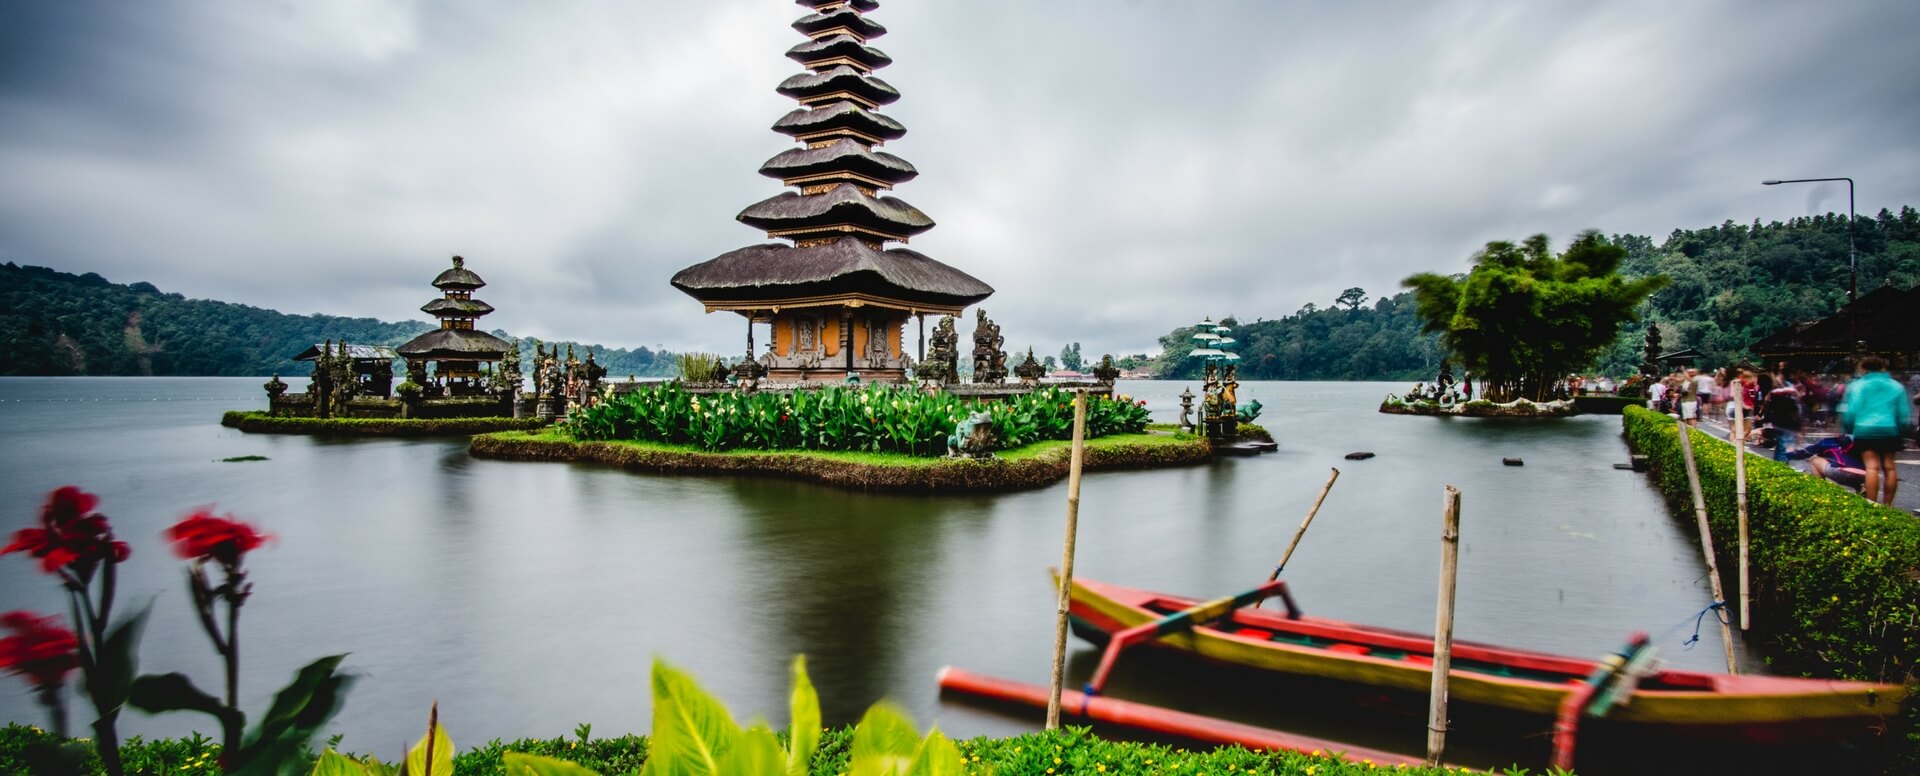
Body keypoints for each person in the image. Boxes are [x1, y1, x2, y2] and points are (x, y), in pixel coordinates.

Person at [1839, 356, 1913, 506]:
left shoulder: (1857, 386)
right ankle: (1887, 506)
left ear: (1862, 368)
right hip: (1890, 430)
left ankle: (1872, 505)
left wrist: (1849, 428)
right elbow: (1903, 413)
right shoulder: (1896, 386)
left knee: (1871, 467)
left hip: (1864, 429)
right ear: (1883, 368)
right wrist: (1902, 430)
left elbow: (1851, 411)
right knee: (1889, 467)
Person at [1785, 435, 1868, 492]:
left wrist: (1788, 453)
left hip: (1839, 471)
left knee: (1814, 460)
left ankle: (1820, 490)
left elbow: (1804, 453)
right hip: (1865, 476)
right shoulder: (1860, 442)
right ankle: (1860, 490)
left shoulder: (1827, 442)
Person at [1764, 380, 1802, 461]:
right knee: (1785, 449)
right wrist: (1799, 428)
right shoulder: (1791, 403)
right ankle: (1782, 465)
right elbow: (1795, 416)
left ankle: (1777, 463)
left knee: (1780, 446)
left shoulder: (1772, 404)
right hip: (1789, 427)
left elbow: (1767, 405)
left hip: (1776, 425)